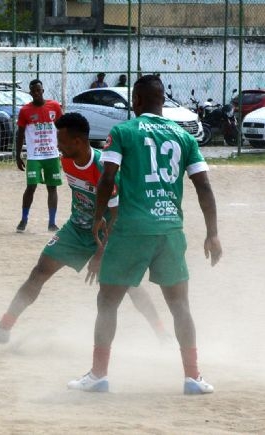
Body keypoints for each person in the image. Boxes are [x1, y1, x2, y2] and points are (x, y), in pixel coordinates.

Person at [68, 75, 222, 395]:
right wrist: (212, 234)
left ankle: (98, 375)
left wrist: (98, 217)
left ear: (136, 101)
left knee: (107, 301)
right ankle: (193, 377)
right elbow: (203, 186)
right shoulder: (184, 136)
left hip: (131, 230)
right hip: (169, 230)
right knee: (180, 305)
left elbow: (107, 179)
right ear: (162, 100)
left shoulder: (123, 132)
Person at [0, 113, 169, 344]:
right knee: (40, 271)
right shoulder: (65, 159)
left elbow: (117, 214)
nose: (57, 145)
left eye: (61, 141)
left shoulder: (102, 168)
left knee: (129, 286)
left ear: (78, 141)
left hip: (112, 233)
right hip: (77, 227)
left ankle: (163, 334)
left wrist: (100, 253)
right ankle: (3, 328)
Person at [15, 79, 63, 233]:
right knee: (31, 186)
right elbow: (20, 133)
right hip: (34, 156)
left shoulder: (54, 107)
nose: (36, 93)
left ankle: (52, 222)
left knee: (52, 187)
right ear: (30, 93)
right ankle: (24, 219)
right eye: (33, 91)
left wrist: (64, 148)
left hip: (52, 155)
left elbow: (62, 129)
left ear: (42, 90)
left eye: (38, 90)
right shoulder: (25, 111)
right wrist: (17, 155)